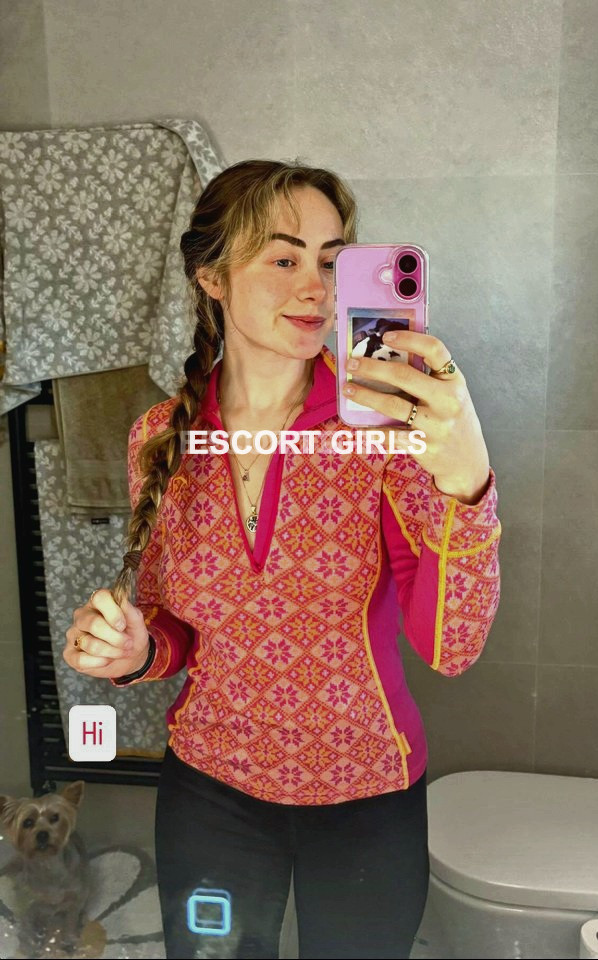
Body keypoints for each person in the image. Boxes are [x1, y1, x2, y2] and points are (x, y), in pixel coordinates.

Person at [64, 160, 501, 959]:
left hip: (367, 790)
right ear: (212, 278)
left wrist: (468, 484)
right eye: (283, 257)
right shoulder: (160, 437)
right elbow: (172, 630)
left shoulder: (387, 425)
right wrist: (136, 649)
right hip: (209, 791)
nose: (316, 287)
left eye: (332, 262)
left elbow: (452, 645)